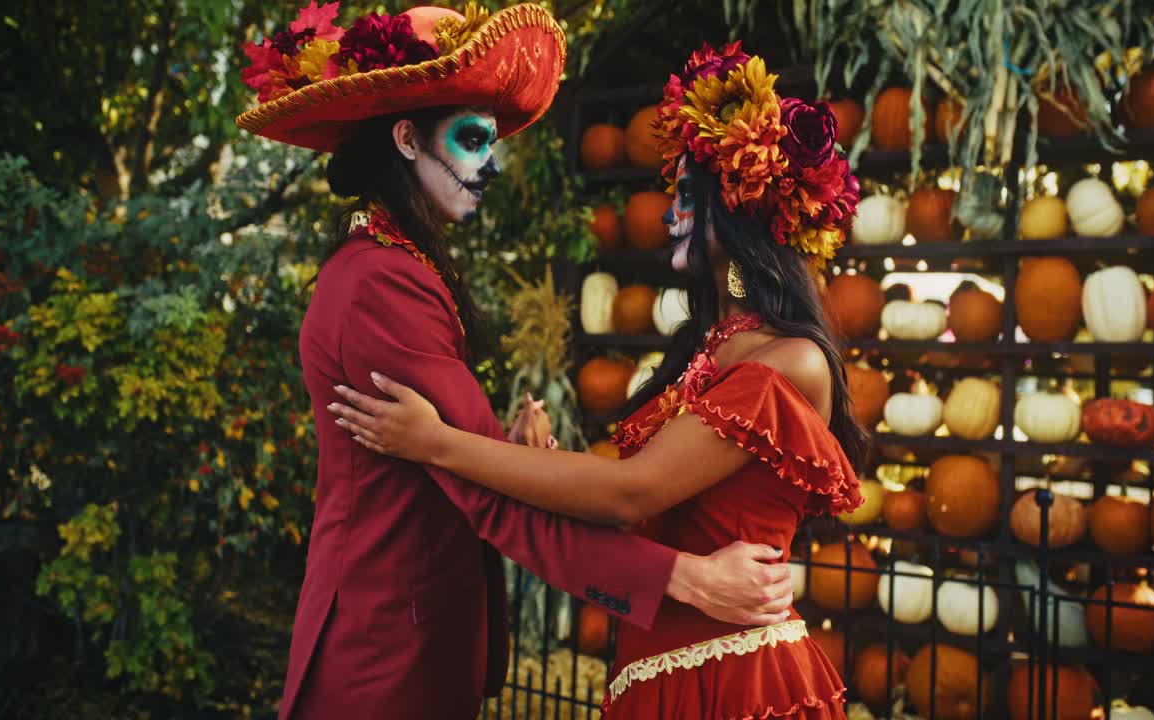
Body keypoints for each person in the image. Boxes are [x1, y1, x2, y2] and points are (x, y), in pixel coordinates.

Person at [235, 7, 793, 719]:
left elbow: (451, 457)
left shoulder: (388, 264)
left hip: (406, 637)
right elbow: (481, 494)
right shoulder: (383, 283)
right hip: (383, 655)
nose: (489, 165)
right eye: (471, 141)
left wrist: (506, 453)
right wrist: (682, 578)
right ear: (406, 139)